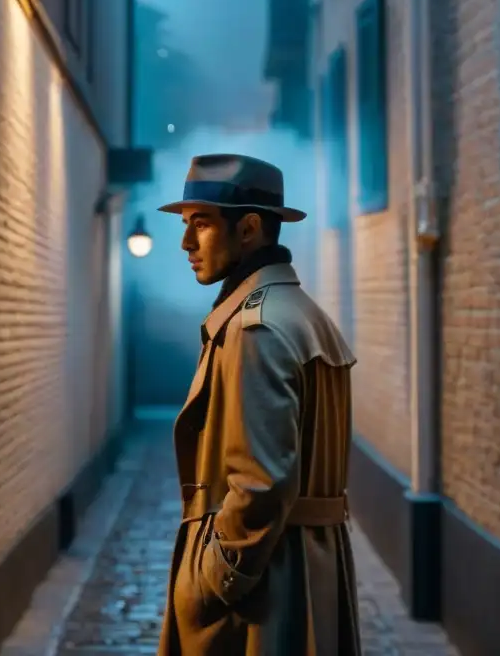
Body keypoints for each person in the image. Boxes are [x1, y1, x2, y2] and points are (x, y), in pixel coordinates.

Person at [155, 154, 361, 656]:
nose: (186, 243)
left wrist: (211, 582)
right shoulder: (302, 312)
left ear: (248, 229)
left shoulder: (258, 327)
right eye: (185, 226)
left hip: (267, 590)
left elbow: (261, 484)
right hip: (307, 568)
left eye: (200, 225)